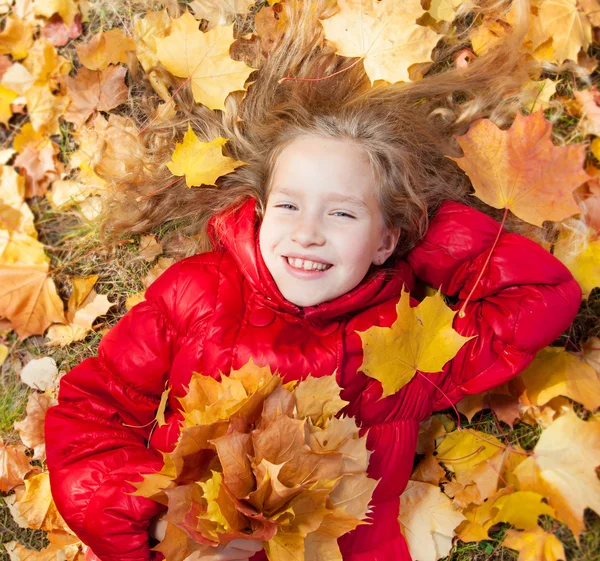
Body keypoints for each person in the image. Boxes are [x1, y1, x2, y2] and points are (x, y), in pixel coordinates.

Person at [44, 1, 582, 560]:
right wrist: (160, 524)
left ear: (386, 239)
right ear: (259, 210)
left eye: (343, 214)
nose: (307, 234)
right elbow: (90, 410)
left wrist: (422, 234)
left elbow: (542, 295)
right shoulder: (197, 293)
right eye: (290, 206)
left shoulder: (409, 340)